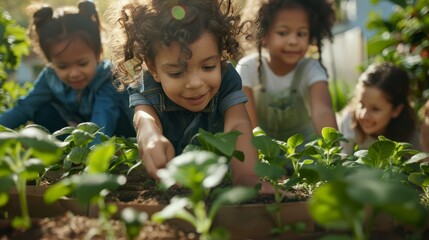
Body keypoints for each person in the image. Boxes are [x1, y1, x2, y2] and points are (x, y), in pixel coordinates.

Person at [106, 0, 270, 190]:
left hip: (216, 179)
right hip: (170, 181)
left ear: (221, 55)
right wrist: (151, 137)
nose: (195, 83)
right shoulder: (146, 83)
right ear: (153, 68)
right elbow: (144, 119)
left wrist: (246, 175)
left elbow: (238, 123)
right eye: (176, 73)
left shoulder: (227, 79)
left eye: (208, 67)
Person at [0, 1, 135, 139]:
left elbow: (103, 119)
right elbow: (24, 107)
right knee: (43, 112)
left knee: (116, 122)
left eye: (82, 64)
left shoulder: (109, 78)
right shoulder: (50, 77)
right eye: (62, 66)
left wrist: (92, 155)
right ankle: (62, 152)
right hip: (81, 131)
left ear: (98, 53)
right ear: (50, 61)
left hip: (115, 130)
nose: (74, 73)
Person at [236, 0, 338, 143]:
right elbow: (248, 126)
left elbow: (323, 112)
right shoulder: (247, 68)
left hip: (306, 156)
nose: (293, 41)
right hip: (265, 154)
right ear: (263, 35)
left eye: (301, 34)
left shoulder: (311, 69)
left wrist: (332, 153)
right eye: (283, 33)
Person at [338, 62, 420, 154]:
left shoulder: (410, 136)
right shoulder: (349, 123)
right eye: (361, 105)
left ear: (396, 110)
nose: (364, 115)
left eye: (375, 109)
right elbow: (342, 162)